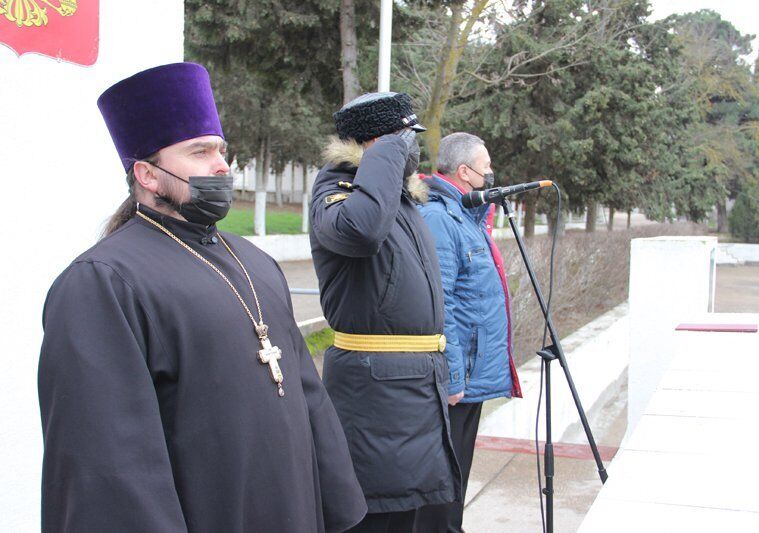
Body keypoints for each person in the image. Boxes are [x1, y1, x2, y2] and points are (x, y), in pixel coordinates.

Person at [38, 62, 367, 533]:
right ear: (147, 175)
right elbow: (108, 462)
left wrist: (337, 506)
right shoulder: (102, 283)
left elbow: (306, 393)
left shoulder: (256, 262)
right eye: (200, 152)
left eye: (221, 150)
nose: (222, 166)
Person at [309, 92, 461, 533]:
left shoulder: (400, 199)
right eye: (405, 138)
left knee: (408, 512)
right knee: (378, 513)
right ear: (378, 143)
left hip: (416, 383)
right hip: (378, 392)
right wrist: (389, 148)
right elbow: (360, 232)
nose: (413, 147)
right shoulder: (336, 189)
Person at [415, 132, 522, 533]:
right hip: (457, 380)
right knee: (445, 481)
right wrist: (454, 376)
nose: (491, 173)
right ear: (465, 172)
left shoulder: (465, 216)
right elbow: (441, 306)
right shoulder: (441, 219)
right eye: (486, 166)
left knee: (456, 477)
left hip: (470, 374)